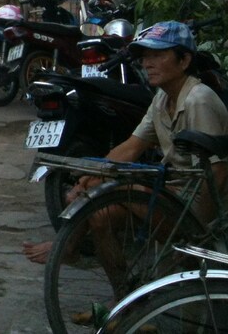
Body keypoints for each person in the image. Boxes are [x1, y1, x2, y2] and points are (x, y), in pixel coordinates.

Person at [23, 21, 228, 282]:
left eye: (158, 55)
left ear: (184, 60)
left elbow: (219, 172)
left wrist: (199, 232)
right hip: (174, 192)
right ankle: (125, 300)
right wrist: (93, 173)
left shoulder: (198, 99)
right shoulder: (162, 99)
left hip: (199, 203)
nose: (147, 63)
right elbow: (131, 147)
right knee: (100, 215)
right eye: (145, 57)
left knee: (104, 190)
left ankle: (67, 247)